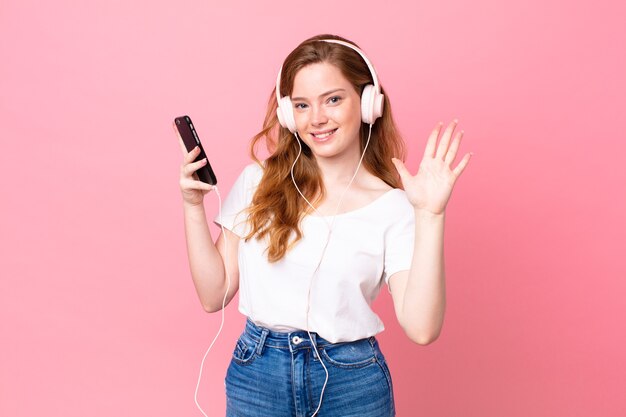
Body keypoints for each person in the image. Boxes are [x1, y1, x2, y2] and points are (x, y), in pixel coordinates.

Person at [175, 34, 471, 417]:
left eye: (333, 99)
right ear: (287, 114)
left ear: (368, 105)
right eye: (302, 105)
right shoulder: (257, 183)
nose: (316, 118)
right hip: (258, 375)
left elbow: (422, 329)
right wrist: (191, 205)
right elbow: (213, 295)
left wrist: (430, 216)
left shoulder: (395, 206)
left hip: (352, 381)